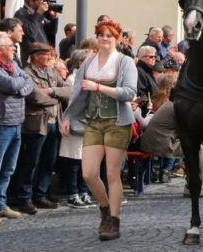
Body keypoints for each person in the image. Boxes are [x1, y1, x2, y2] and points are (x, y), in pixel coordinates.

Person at [60, 20, 138, 241]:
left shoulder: (125, 62)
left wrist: (99, 87)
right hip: (93, 122)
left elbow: (129, 93)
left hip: (117, 121)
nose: (104, 38)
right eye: (101, 35)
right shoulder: (89, 62)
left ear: (117, 39)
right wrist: (69, 116)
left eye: (109, 36)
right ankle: (104, 207)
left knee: (112, 174)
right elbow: (77, 92)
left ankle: (113, 220)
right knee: (88, 173)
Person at [7, 43, 70, 214]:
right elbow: (34, 97)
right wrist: (56, 98)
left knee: (48, 162)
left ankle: (40, 195)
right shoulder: (27, 73)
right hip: (35, 124)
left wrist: (50, 90)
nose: (50, 57)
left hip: (53, 122)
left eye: (50, 54)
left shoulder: (51, 71)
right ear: (35, 56)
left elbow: (69, 90)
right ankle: (24, 198)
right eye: (45, 54)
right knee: (31, 163)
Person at [0, 32, 35, 224]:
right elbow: (10, 84)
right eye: (10, 46)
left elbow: (29, 82)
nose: (14, 49)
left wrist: (20, 86)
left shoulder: (12, 64)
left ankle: (1, 203)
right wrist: (19, 85)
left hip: (16, 122)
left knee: (9, 168)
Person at [58, 49, 96, 209]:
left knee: (86, 161)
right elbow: (74, 102)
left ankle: (84, 192)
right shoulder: (73, 79)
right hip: (76, 124)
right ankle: (73, 194)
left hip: (89, 124)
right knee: (74, 161)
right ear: (81, 63)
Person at [14, 0, 58, 65]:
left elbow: (52, 31)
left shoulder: (36, 14)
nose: (42, 4)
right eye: (39, 1)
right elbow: (31, 34)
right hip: (32, 57)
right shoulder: (21, 14)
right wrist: (38, 14)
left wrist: (54, 19)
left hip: (44, 55)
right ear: (31, 1)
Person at [135, 46, 158, 117]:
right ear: (142, 57)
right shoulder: (140, 71)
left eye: (155, 56)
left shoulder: (147, 71)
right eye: (151, 56)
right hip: (145, 112)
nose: (154, 58)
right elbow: (140, 93)